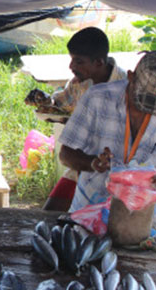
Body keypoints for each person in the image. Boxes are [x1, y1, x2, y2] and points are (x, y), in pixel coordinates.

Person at [57, 50, 156, 234]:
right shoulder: (97, 98)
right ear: (131, 76)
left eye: (155, 105)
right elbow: (66, 155)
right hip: (90, 211)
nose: (145, 110)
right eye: (142, 100)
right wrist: (93, 163)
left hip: (143, 219)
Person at [24, 27, 126, 210]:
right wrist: (45, 99)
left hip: (116, 170)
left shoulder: (125, 88)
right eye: (72, 59)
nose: (72, 67)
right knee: (50, 213)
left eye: (78, 61)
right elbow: (61, 103)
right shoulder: (80, 83)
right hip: (83, 163)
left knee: (97, 223)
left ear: (98, 62)